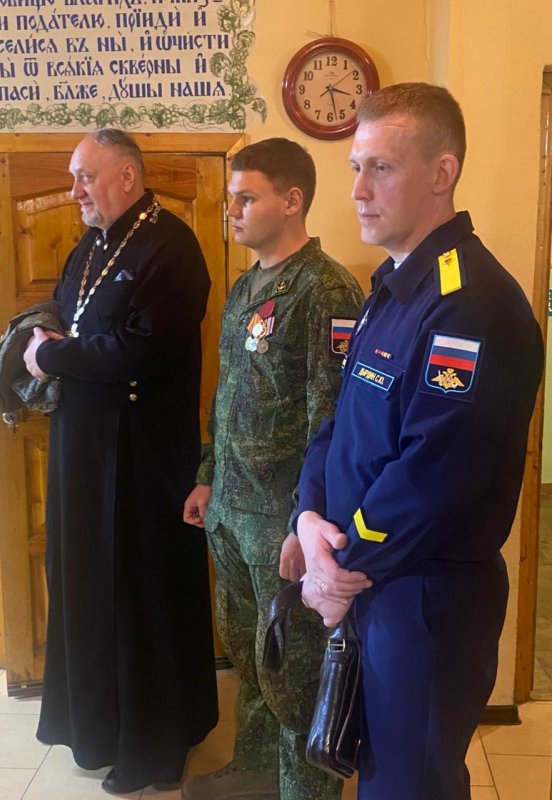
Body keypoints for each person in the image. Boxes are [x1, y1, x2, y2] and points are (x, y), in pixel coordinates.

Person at [293, 83, 544, 800]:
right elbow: (341, 422)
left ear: (442, 172)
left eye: (382, 168)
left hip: (424, 598)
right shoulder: (396, 286)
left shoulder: (473, 304)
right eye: (356, 168)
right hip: (373, 581)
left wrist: (337, 567)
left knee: (410, 786)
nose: (358, 190)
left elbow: (435, 476)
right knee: (382, 776)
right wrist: (308, 517)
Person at [23, 129, 218, 795]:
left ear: (128, 177)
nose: (74, 190)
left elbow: (137, 350)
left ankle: (154, 747)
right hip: (83, 454)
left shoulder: (172, 246)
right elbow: (72, 319)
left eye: (86, 176)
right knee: (86, 590)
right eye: (74, 177)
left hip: (143, 458)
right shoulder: (92, 244)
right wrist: (44, 340)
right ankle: (99, 730)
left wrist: (51, 355)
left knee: (142, 596)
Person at [181, 138, 366, 800]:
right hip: (232, 512)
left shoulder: (326, 289)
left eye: (245, 197)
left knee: (295, 678)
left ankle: (303, 793)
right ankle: (257, 772)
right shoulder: (245, 287)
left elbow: (334, 420)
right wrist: (208, 474)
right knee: (252, 662)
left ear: (291, 201)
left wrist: (305, 523)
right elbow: (228, 393)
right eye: (231, 198)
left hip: (281, 524)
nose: (231, 210)